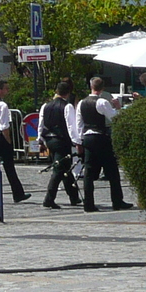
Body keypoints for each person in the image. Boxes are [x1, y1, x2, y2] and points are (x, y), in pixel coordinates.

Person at [79, 77, 134, 212]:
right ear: (102, 89)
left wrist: (79, 140)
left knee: (89, 172)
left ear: (90, 87)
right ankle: (117, 201)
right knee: (112, 171)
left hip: (87, 137)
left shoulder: (82, 102)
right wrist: (118, 107)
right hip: (101, 137)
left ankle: (88, 203)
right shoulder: (102, 102)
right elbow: (115, 118)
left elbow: (79, 124)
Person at [39, 81, 82, 209]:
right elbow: (71, 126)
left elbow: (41, 124)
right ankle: (49, 198)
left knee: (65, 168)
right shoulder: (67, 106)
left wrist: (40, 140)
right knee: (58, 170)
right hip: (61, 140)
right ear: (68, 93)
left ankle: (74, 196)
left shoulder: (45, 106)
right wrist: (77, 142)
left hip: (49, 140)